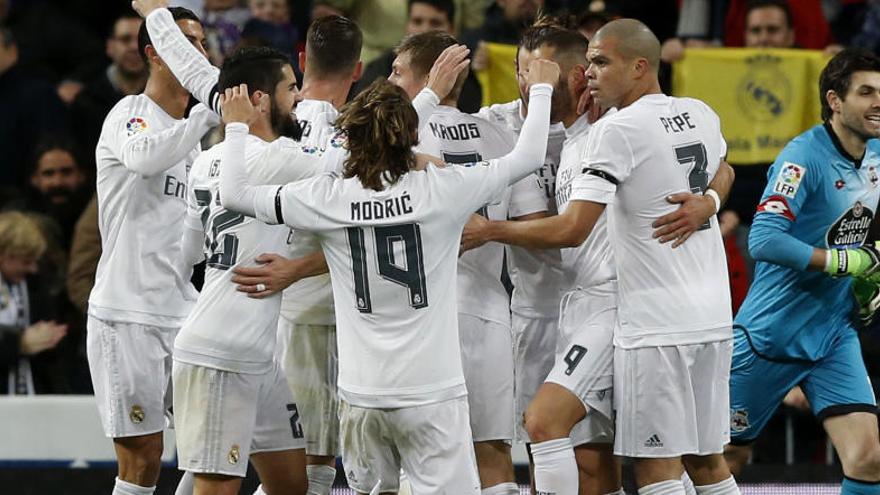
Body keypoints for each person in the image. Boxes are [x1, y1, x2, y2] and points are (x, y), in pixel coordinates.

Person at [216, 56, 559, 494]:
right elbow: (528, 155)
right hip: (431, 393)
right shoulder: (443, 189)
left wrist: (236, 128)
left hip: (362, 397)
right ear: (413, 136)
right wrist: (543, 88)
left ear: (350, 137)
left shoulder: (328, 197)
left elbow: (234, 193)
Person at [464, 19, 740, 495]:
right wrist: (712, 201)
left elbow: (573, 228)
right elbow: (724, 165)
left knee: (634, 456)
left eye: (596, 63)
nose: (535, 84)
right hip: (683, 311)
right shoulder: (693, 111)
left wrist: (487, 229)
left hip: (630, 309)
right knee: (684, 459)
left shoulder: (612, 131)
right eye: (528, 72)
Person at [173, 46, 329, 495]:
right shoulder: (279, 157)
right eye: (290, 88)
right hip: (225, 351)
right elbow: (358, 172)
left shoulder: (203, 162)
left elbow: (190, 253)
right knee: (217, 486)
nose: (298, 97)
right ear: (260, 100)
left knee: (289, 485)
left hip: (255, 353)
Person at [724, 48, 880, 495]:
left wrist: (870, 272)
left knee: (869, 458)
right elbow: (764, 240)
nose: (878, 102)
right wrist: (840, 262)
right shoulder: (802, 158)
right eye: (866, 92)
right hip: (770, 336)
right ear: (834, 100)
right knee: (725, 459)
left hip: (833, 332)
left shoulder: (876, 154)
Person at [404, 29, 547, 495]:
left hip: (420, 316)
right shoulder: (502, 134)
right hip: (487, 312)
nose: (389, 79)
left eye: (397, 71)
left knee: (418, 455)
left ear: (430, 79)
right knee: (493, 451)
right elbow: (537, 222)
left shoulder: (398, 133)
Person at [86, 7, 219, 495]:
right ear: (154, 53)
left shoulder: (196, 149)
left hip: (180, 309)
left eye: (202, 44)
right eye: (186, 42)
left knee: (213, 443)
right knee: (143, 458)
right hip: (127, 312)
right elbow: (145, 158)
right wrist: (204, 115)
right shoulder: (130, 115)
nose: (198, 54)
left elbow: (194, 240)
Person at [353, 0, 482, 113]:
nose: (425, 29)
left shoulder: (464, 75)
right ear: (407, 26)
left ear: (452, 29)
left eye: (435, 23)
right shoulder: (379, 69)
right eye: (417, 21)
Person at [0, 211, 67, 395]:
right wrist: (18, 343)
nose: (33, 268)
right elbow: (25, 341)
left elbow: (52, 335)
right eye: (26, 261)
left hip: (33, 390)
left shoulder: (34, 285)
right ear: (4, 254)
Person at [71, 11, 149, 162]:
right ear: (110, 47)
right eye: (125, 39)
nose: (134, 47)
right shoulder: (86, 102)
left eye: (141, 40)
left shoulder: (169, 100)